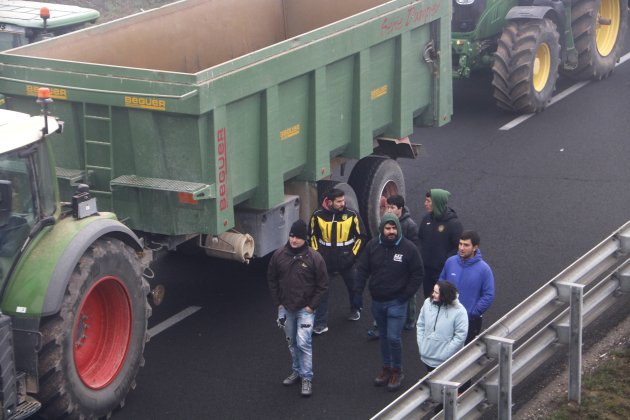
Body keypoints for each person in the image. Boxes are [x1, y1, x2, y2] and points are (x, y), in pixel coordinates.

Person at [354, 213, 424, 391]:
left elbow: (418, 274)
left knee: (393, 337)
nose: (391, 231)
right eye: (387, 228)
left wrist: (405, 296)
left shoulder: (408, 248)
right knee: (384, 337)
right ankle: (386, 368)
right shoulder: (372, 246)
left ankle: (397, 371)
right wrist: (357, 292)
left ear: (398, 229)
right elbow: (362, 269)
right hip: (377, 302)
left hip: (397, 302)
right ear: (382, 229)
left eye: (394, 228)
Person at [267, 219, 329, 397]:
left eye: (298, 237)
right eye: (292, 236)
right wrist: (278, 304)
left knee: (303, 343)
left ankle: (306, 378)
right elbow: (271, 279)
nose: (294, 240)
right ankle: (297, 371)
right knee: (292, 343)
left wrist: (311, 307)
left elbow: (323, 284)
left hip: (305, 310)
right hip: (286, 309)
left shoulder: (315, 258)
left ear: (305, 239)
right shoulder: (279, 255)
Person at [308, 188, 366, 334]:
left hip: (347, 259)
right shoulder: (317, 215)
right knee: (322, 291)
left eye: (343, 200)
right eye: (339, 201)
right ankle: (320, 323)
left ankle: (356, 308)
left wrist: (352, 256)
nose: (342, 203)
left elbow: (361, 237)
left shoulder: (352, 215)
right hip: (325, 261)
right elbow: (312, 236)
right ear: (329, 202)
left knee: (354, 286)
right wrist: (317, 255)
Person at [367, 194, 420, 339]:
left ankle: (410, 320)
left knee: (409, 296)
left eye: (392, 207)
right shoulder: (385, 222)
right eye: (387, 207)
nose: (388, 210)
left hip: (404, 267)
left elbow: (415, 249)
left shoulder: (410, 225)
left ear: (400, 209)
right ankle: (378, 326)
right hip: (387, 266)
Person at [439, 230, 494, 344]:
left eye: (466, 245)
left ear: (475, 247)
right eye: (460, 244)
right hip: (446, 316)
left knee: (464, 357)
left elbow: (488, 295)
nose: (461, 248)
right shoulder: (450, 262)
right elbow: (440, 284)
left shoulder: (484, 270)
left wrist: (473, 313)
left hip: (469, 322)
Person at [418, 189, 463, 299]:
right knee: (429, 301)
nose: (425, 204)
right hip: (427, 272)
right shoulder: (426, 219)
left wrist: (444, 262)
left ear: (437, 202)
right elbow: (420, 239)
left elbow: (458, 248)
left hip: (443, 274)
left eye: (428, 201)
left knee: (443, 302)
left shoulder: (454, 224)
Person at [417, 281, 468, 372]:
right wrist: (422, 345)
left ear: (445, 295)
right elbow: (421, 325)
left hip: (446, 362)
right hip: (427, 357)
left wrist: (446, 354)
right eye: (433, 291)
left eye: (436, 292)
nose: (433, 294)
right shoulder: (427, 303)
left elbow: (460, 336)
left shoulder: (460, 311)